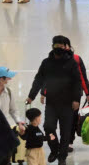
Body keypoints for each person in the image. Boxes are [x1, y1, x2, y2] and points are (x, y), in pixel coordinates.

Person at [26, 36, 82, 165]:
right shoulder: (46, 63)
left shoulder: (71, 63)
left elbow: (77, 82)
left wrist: (76, 99)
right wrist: (31, 96)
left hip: (68, 103)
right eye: (57, 45)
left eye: (62, 46)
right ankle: (54, 149)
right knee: (48, 127)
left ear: (66, 47)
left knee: (65, 132)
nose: (59, 48)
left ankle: (62, 158)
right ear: (53, 46)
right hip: (52, 102)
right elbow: (39, 79)